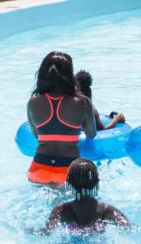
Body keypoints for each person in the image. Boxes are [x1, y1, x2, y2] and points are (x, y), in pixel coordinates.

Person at [27, 52, 96, 185]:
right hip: (69, 168)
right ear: (69, 75)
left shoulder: (33, 103)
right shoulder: (82, 103)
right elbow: (91, 134)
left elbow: (37, 135)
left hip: (39, 167)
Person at [43, 158, 129, 233]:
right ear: (96, 182)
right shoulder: (106, 210)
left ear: (68, 182)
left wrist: (30, 231)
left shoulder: (62, 210)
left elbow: (47, 231)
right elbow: (127, 226)